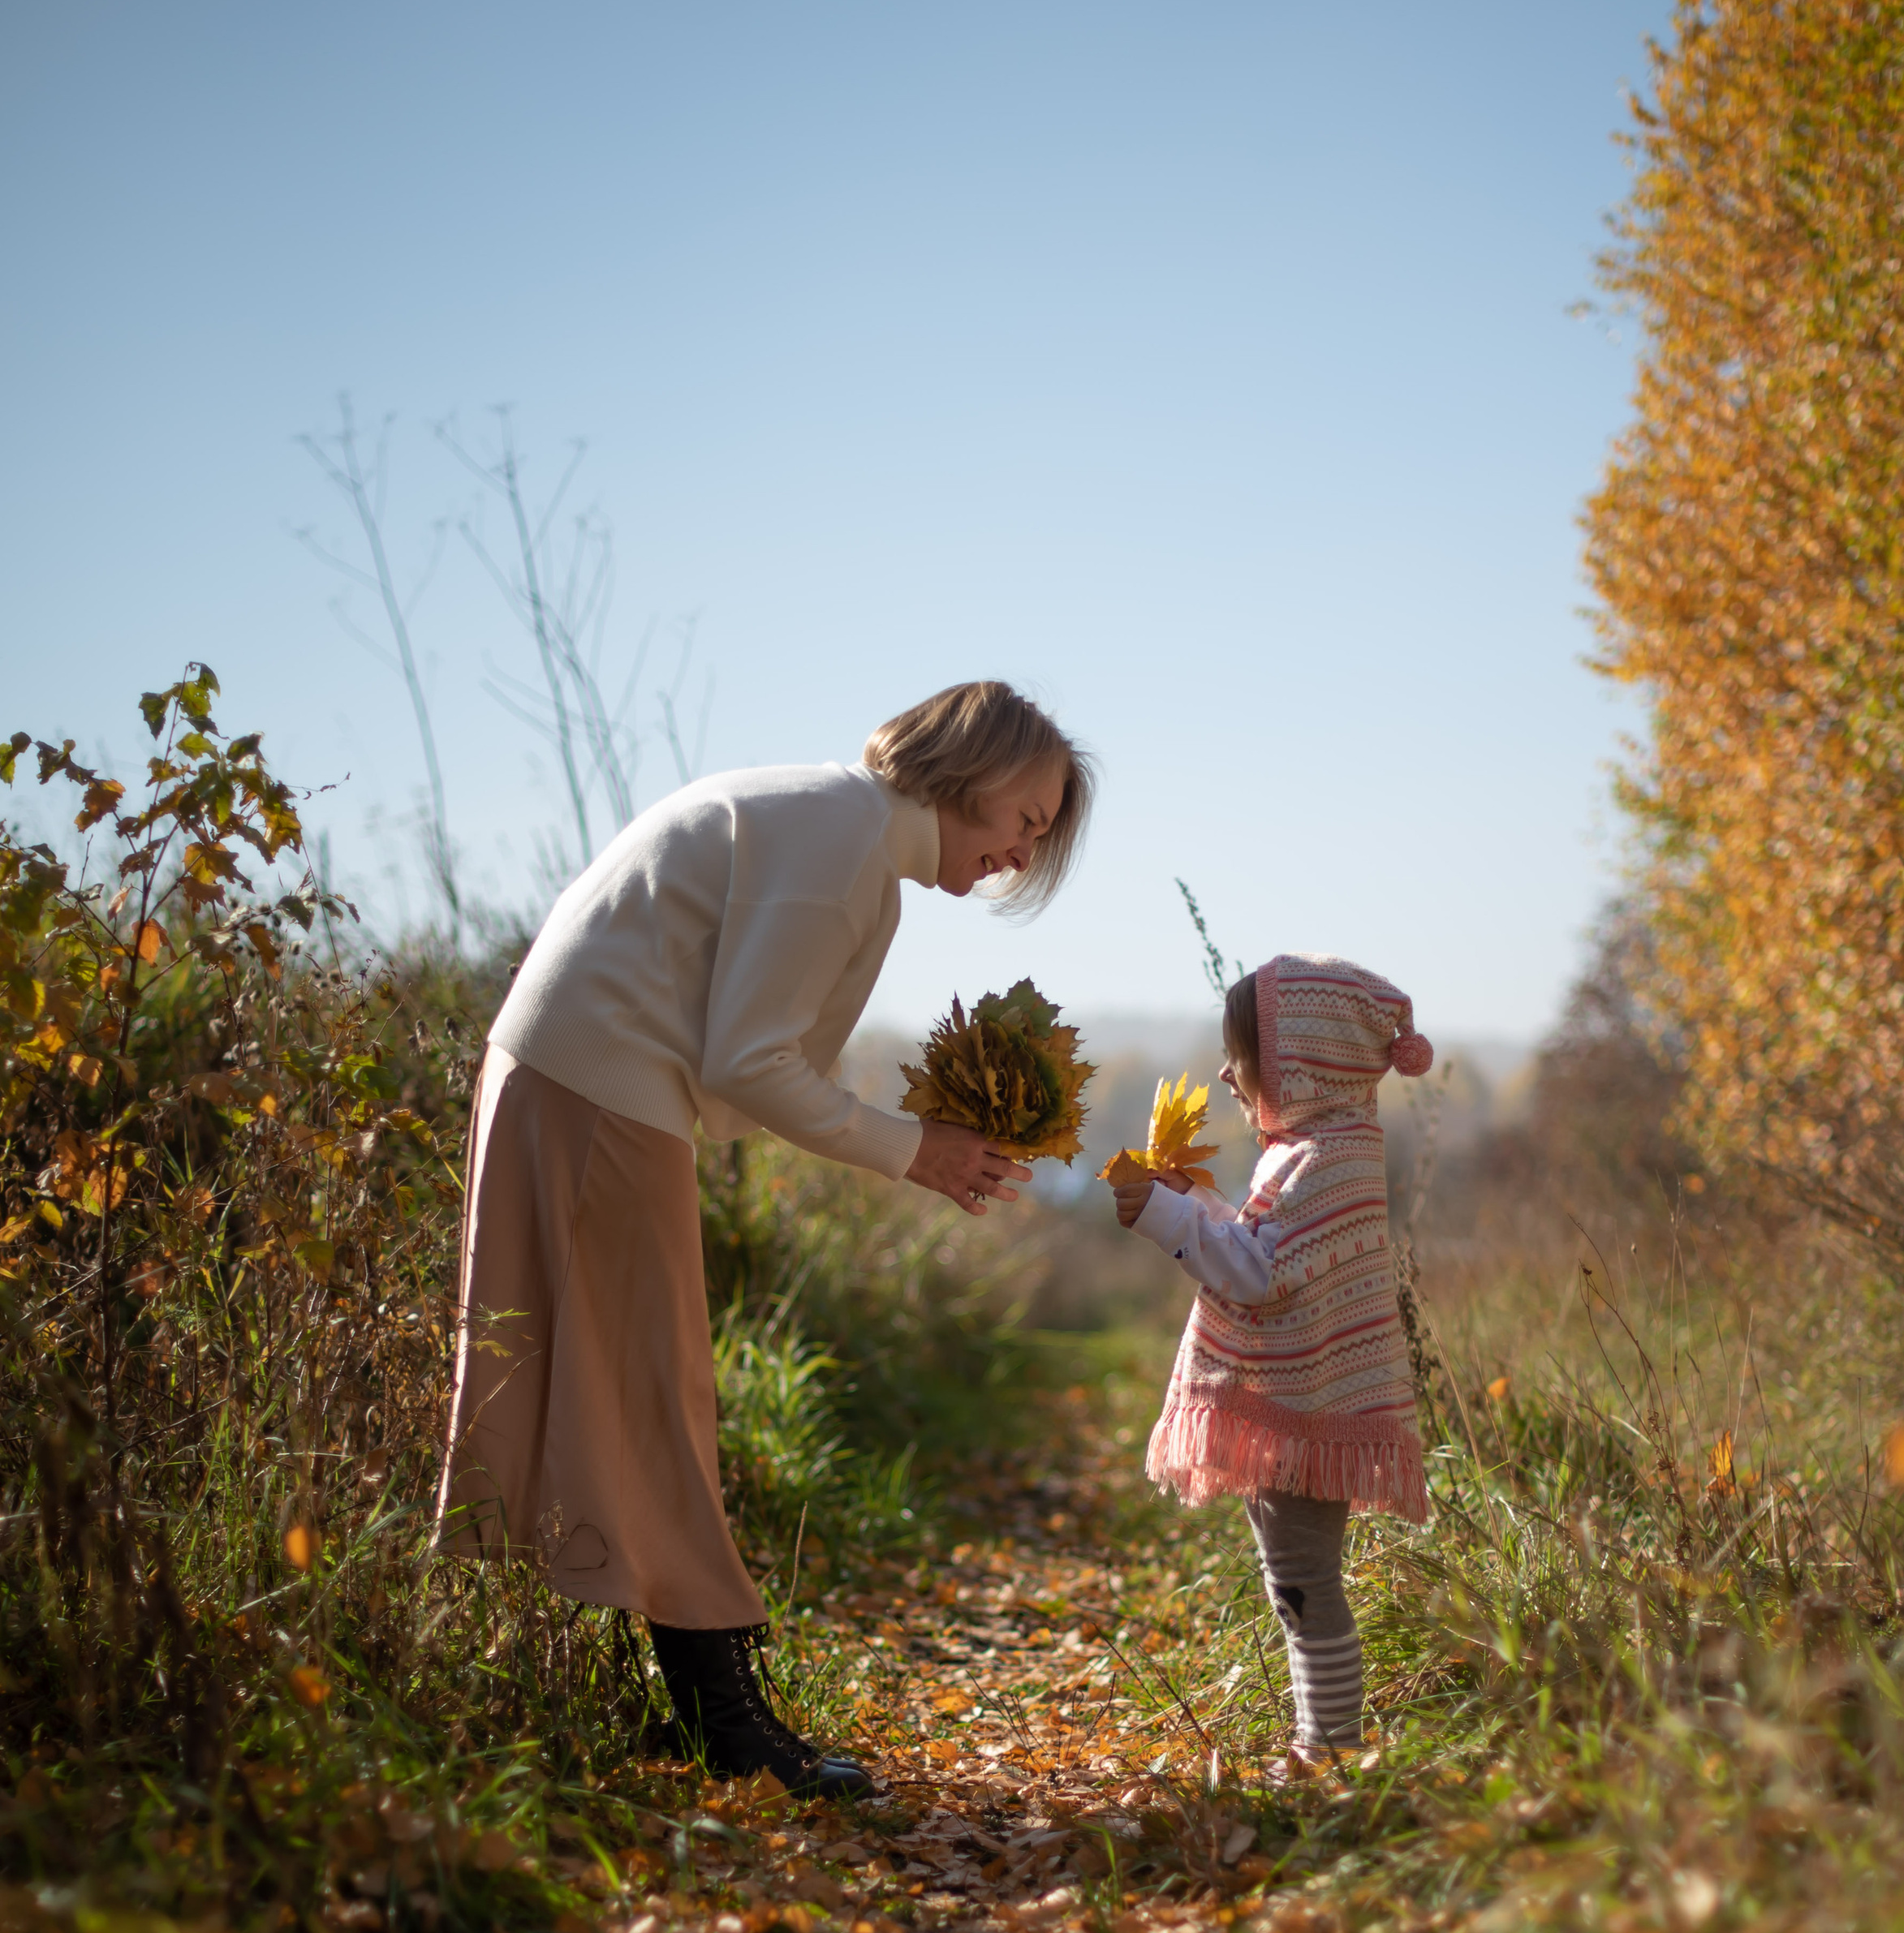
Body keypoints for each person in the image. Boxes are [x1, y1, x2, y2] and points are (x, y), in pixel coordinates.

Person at [437, 679, 1094, 1797]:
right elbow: (746, 1064)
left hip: (580, 1079)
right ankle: (720, 1722)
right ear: (967, 768)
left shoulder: (839, 830)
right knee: (654, 1394)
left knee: (624, 1390)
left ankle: (664, 1703)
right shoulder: (842, 841)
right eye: (1027, 820)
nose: (1024, 856)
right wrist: (913, 1150)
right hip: (597, 1086)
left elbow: (755, 1061)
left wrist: (925, 1128)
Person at [1110, 954, 1432, 1763]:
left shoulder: (1325, 1163)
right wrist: (1189, 1204)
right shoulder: (1315, 1149)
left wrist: (1165, 1220)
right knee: (1293, 1581)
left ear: (1304, 1065)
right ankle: (1322, 1744)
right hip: (1299, 1407)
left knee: (1303, 1584)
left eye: (1244, 1058)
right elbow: (1265, 1247)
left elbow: (1262, 1275)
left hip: (1309, 1411)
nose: (1227, 1073)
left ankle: (1328, 1751)